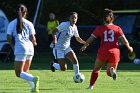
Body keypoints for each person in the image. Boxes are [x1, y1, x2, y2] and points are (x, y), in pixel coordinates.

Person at [80, 8, 133, 89]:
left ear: (103, 19)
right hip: (115, 52)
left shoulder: (99, 28)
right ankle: (111, 70)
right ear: (112, 18)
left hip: (103, 51)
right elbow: (125, 41)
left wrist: (85, 45)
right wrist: (129, 47)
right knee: (109, 73)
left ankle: (91, 86)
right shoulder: (117, 28)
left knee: (96, 69)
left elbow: (91, 38)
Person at [6, 4, 39, 92]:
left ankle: (33, 79)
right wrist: (34, 43)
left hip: (21, 48)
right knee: (25, 71)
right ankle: (34, 88)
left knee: (18, 73)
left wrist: (12, 46)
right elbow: (33, 38)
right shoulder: (29, 23)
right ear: (25, 13)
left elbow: (8, 37)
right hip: (30, 48)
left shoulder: (12, 23)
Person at [50, 12, 86, 76]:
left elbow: (78, 38)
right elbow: (53, 31)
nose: (74, 19)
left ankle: (77, 75)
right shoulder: (64, 24)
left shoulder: (75, 27)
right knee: (63, 68)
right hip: (58, 48)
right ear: (69, 18)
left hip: (67, 47)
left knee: (75, 60)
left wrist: (85, 43)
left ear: (77, 19)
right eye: (72, 17)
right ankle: (53, 64)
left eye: (75, 18)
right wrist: (54, 39)